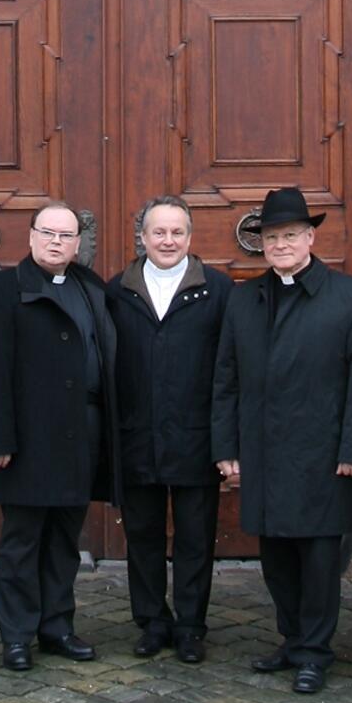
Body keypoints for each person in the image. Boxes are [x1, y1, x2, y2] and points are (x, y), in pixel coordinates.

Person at [212, 187, 352, 694]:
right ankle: (291, 639)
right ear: (260, 243)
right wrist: (226, 447)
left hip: (323, 454)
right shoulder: (245, 299)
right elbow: (226, 379)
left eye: (290, 234)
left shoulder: (350, 298)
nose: (281, 244)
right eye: (271, 236)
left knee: (318, 559)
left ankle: (315, 650)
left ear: (311, 237)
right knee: (276, 557)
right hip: (263, 451)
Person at [0, 201, 120, 672]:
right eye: (48, 233)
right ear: (31, 236)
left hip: (81, 436)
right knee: (22, 541)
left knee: (63, 541)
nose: (57, 242)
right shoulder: (1, 291)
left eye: (67, 235)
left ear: (78, 244)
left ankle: (57, 627)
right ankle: (16, 636)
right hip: (28, 442)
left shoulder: (90, 287)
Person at [107, 196, 232, 663]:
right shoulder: (116, 291)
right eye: (158, 232)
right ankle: (152, 622)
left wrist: (226, 439)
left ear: (190, 237)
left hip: (196, 439)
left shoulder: (218, 291)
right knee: (142, 536)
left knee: (196, 538)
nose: (168, 240)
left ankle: (191, 627)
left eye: (177, 232)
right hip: (137, 436)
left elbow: (229, 368)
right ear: (141, 237)